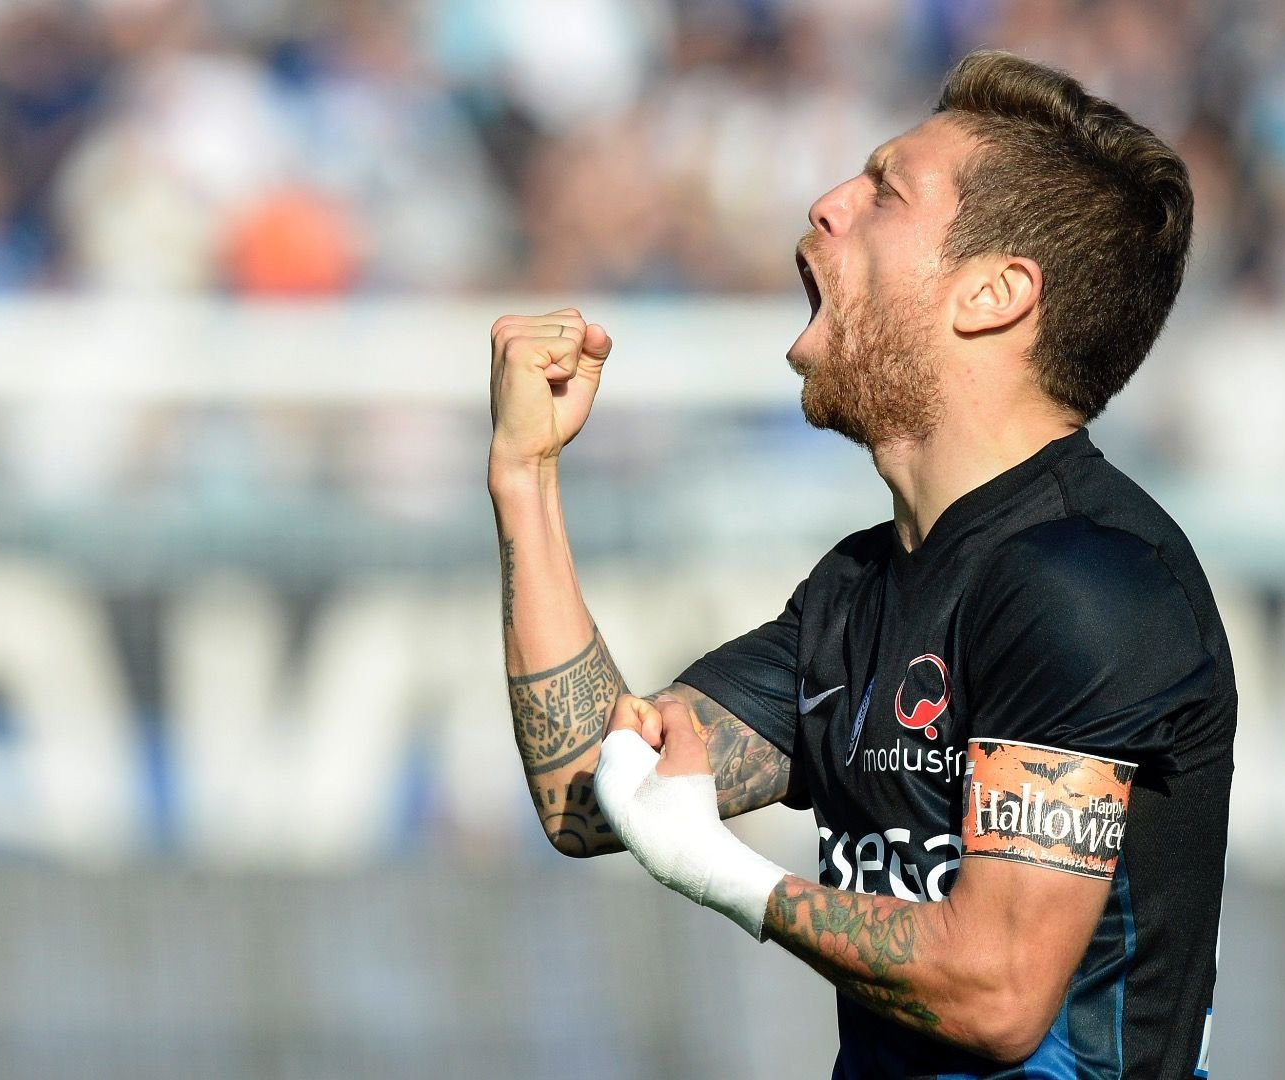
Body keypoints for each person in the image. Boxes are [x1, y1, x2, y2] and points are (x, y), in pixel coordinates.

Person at [488, 49, 1235, 1080]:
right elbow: (589, 787)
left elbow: (996, 993)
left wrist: (730, 878)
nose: (827, 203)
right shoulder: (856, 590)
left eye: (885, 191)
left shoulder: (1088, 582)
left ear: (992, 293)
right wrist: (524, 475)